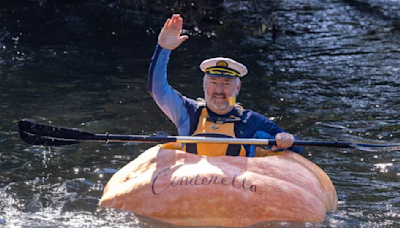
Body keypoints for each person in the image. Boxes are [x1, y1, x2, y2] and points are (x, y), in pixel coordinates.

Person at [148, 14, 302, 157]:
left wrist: (286, 139)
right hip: (190, 183)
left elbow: (296, 147)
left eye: (226, 84)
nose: (219, 90)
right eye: (213, 83)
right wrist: (164, 49)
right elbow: (157, 90)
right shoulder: (187, 112)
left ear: (238, 88)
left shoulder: (251, 121)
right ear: (204, 85)